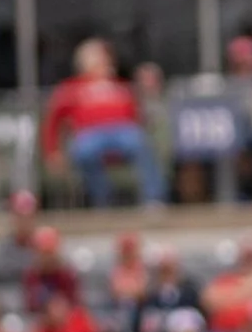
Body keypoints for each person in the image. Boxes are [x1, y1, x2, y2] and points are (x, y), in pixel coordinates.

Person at [40, 39, 163, 209]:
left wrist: (147, 95)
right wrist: (52, 151)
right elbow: (53, 120)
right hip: (90, 134)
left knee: (140, 141)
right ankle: (103, 201)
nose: (105, 62)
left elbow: (139, 116)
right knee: (84, 151)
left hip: (123, 131)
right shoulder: (71, 87)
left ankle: (153, 200)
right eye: (99, 58)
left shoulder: (121, 85)